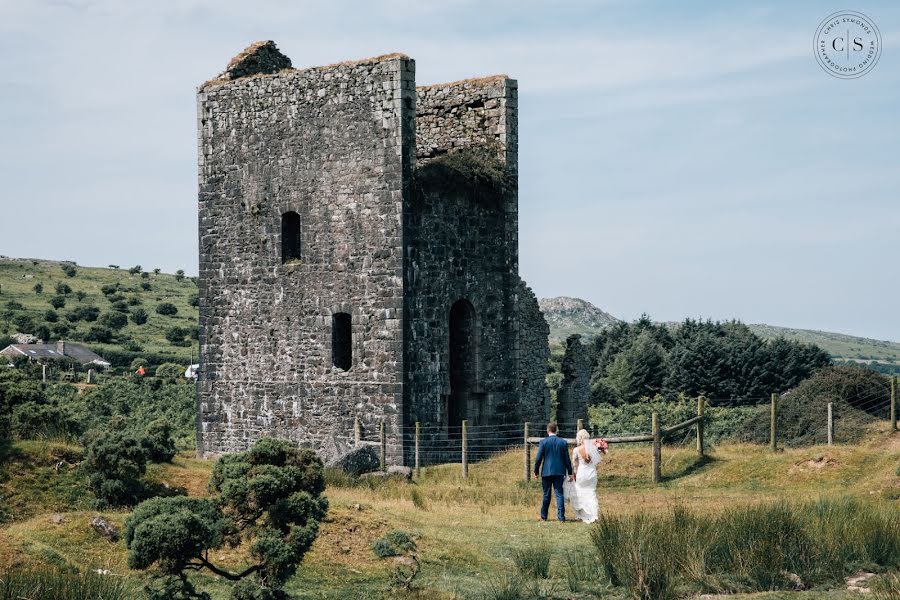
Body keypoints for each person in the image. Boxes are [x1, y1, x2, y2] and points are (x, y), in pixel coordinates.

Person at [532, 421, 573, 522]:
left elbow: (538, 459)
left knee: (546, 494)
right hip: (559, 471)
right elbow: (567, 459)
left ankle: (543, 516)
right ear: (556, 430)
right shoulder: (563, 442)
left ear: (548, 430)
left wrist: (536, 471)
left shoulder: (543, 442)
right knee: (559, 493)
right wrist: (570, 472)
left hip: (546, 471)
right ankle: (561, 517)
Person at [564, 429, 602, 523]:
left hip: (582, 473)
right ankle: (594, 514)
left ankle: (581, 514)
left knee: (580, 493)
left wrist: (575, 474)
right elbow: (596, 462)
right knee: (591, 493)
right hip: (592, 473)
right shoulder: (593, 448)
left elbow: (575, 464)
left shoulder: (576, 450)